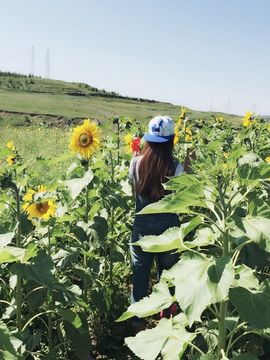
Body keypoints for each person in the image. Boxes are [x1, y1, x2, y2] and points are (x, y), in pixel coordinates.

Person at [128, 115, 184, 330]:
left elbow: (134, 192)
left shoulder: (136, 163)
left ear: (148, 139)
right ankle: (166, 318)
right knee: (167, 277)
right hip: (168, 230)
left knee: (140, 276)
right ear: (172, 141)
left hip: (141, 229)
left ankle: (136, 322)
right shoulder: (177, 168)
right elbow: (183, 196)